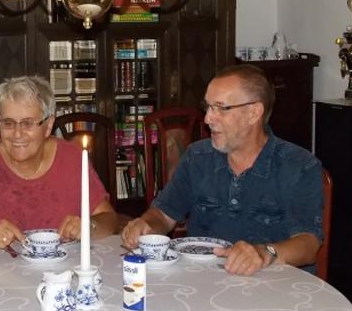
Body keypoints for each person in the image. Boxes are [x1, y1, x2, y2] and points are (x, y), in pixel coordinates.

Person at [122, 64, 323, 276]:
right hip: (206, 284)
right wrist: (146, 226)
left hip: (273, 290)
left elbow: (308, 244)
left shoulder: (299, 166)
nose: (208, 118)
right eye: (208, 107)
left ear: (254, 113)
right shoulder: (198, 158)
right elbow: (163, 215)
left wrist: (266, 253)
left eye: (221, 108)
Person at [0, 75, 120, 248]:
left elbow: (109, 219)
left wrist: (88, 226)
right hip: (1, 271)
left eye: (28, 124)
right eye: (8, 123)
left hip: (64, 271)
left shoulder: (71, 157)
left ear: (49, 125)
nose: (17, 134)